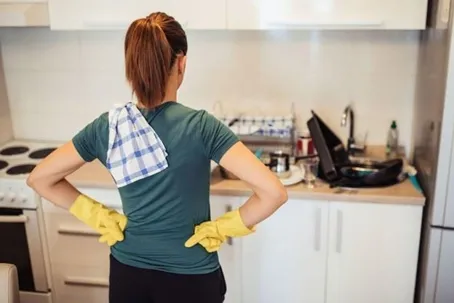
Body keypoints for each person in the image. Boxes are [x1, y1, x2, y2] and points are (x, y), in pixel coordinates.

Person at [27, 11, 288, 303]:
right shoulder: (201, 126)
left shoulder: (109, 126)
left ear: (131, 67)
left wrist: (95, 214)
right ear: (181, 63)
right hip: (192, 276)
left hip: (128, 273)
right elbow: (273, 192)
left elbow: (40, 178)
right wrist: (224, 227)